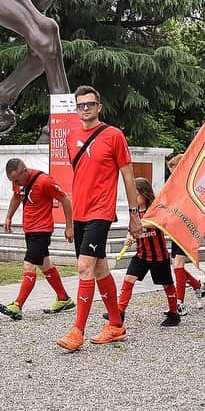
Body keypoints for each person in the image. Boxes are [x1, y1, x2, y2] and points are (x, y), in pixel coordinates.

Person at [56, 86, 140, 352]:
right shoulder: (71, 137)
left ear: (99, 107)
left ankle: (77, 332)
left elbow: (127, 176)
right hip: (80, 211)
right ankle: (116, 325)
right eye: (80, 105)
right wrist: (70, 220)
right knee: (100, 268)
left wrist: (134, 214)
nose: (85, 109)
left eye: (90, 104)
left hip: (100, 212)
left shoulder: (113, 135)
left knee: (84, 268)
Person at [0, 158, 75, 320]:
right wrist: (8, 217)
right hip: (29, 229)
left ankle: (17, 305)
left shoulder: (44, 181)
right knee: (45, 265)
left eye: (17, 180)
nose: (16, 183)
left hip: (42, 230)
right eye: (12, 181)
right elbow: (17, 197)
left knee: (29, 264)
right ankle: (64, 298)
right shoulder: (18, 182)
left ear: (25, 171)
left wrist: (69, 227)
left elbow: (65, 200)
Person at [111, 178, 180, 327]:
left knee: (167, 284)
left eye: (136, 195)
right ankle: (120, 311)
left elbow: (160, 223)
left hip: (158, 255)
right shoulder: (134, 213)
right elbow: (132, 230)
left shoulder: (155, 209)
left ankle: (174, 313)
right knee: (129, 278)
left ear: (145, 193)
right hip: (141, 254)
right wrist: (129, 237)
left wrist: (139, 224)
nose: (133, 199)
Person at [166, 152, 205, 316]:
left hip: (189, 228)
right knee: (177, 266)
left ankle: (179, 303)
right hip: (176, 228)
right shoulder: (174, 186)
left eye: (174, 171)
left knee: (178, 265)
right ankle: (199, 287)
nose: (172, 175)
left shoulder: (193, 186)